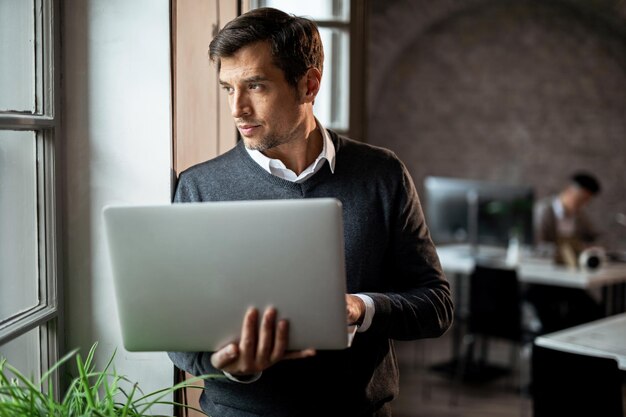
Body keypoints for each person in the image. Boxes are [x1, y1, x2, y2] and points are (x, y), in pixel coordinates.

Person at [167, 7, 453, 417]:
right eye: (228, 88)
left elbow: (436, 305)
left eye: (256, 86)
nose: (237, 108)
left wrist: (361, 308)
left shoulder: (382, 174)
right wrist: (230, 366)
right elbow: (176, 331)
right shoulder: (199, 187)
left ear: (309, 84)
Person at [526, 171, 604, 334]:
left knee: (593, 312)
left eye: (586, 201)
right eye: (581, 199)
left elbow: (595, 237)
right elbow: (537, 248)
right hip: (544, 282)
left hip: (569, 281)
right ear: (569, 191)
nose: (583, 204)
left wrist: (591, 247)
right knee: (553, 322)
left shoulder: (579, 216)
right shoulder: (544, 211)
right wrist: (567, 251)